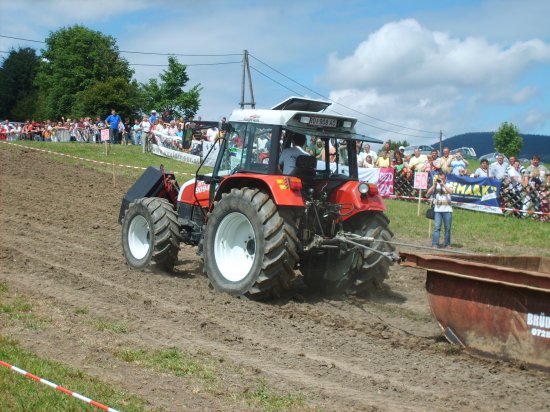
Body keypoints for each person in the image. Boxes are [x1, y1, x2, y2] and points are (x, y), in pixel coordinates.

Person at [426, 173, 453, 248]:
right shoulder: (436, 186)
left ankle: (447, 244)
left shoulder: (449, 184)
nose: (441, 180)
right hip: (438, 210)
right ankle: (435, 244)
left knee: (447, 228)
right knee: (437, 227)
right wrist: (434, 185)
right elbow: (428, 193)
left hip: (447, 210)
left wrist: (443, 185)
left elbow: (451, 192)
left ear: (445, 179)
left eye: (443, 178)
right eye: (440, 178)